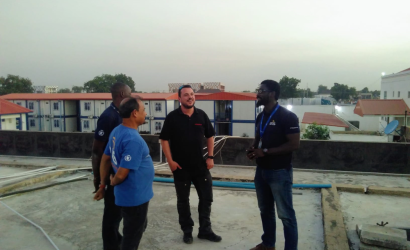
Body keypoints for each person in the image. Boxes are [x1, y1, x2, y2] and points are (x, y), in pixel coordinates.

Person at [159, 85, 222, 244]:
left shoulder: (201, 115)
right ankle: (187, 231)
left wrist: (210, 156)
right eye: (186, 95)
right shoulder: (173, 117)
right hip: (181, 168)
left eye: (192, 94)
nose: (190, 97)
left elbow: (210, 136)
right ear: (179, 98)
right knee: (183, 201)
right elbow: (164, 139)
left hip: (201, 166)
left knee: (207, 199)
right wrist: (170, 161)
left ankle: (205, 230)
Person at [94, 97, 154, 250]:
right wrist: (112, 181)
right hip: (134, 198)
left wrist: (102, 185)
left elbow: (106, 159)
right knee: (131, 237)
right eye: (143, 110)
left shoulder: (117, 130)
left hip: (128, 196)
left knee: (138, 226)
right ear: (134, 113)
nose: (145, 113)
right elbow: (121, 174)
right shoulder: (133, 139)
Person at [247, 80, 300, 250]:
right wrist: (253, 148)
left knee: (286, 215)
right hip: (261, 171)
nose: (258, 93)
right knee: (265, 211)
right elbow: (258, 138)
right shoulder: (261, 116)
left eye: (261, 90)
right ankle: (268, 244)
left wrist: (266, 151)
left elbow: (294, 144)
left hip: (279, 172)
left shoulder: (287, 116)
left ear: (272, 94)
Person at [91, 82, 131, 250]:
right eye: (130, 92)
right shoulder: (109, 117)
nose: (131, 95)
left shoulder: (121, 114)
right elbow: (97, 150)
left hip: (121, 174)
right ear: (122, 94)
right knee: (111, 215)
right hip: (110, 175)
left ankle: (117, 238)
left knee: (118, 213)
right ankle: (110, 245)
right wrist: (99, 178)